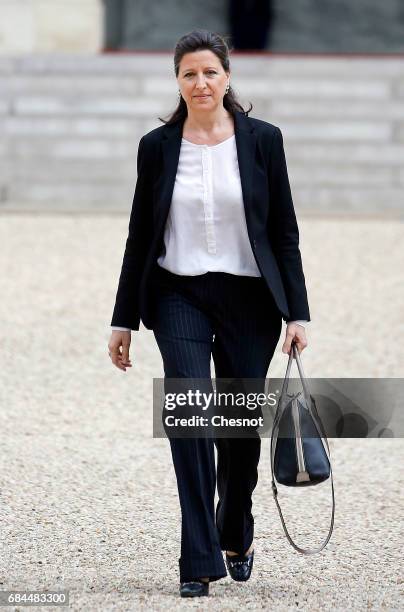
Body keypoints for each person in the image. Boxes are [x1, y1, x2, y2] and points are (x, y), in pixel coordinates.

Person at [108, 29, 310, 598]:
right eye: (189, 74)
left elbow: (284, 232)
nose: (200, 83)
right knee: (192, 420)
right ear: (177, 80)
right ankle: (198, 557)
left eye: (210, 73)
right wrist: (122, 319)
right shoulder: (158, 146)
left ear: (227, 77)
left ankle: (235, 529)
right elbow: (140, 235)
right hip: (179, 297)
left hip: (251, 301)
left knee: (239, 432)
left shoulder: (264, 141)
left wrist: (298, 312)